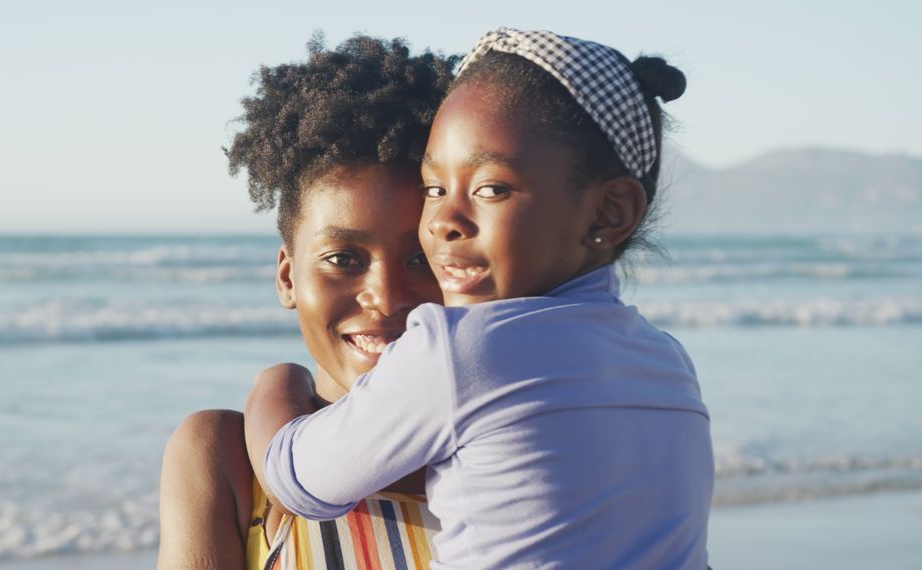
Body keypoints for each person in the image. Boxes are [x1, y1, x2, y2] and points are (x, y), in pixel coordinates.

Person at [248, 28, 714, 568]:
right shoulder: (668, 362)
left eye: (490, 188)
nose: (443, 221)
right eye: (434, 189)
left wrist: (276, 384)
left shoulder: (457, 353)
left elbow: (296, 480)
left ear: (609, 212)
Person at [156, 35, 456, 569]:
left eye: (422, 259)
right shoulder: (225, 460)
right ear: (288, 277)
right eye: (343, 258)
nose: (386, 298)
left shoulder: (516, 448)